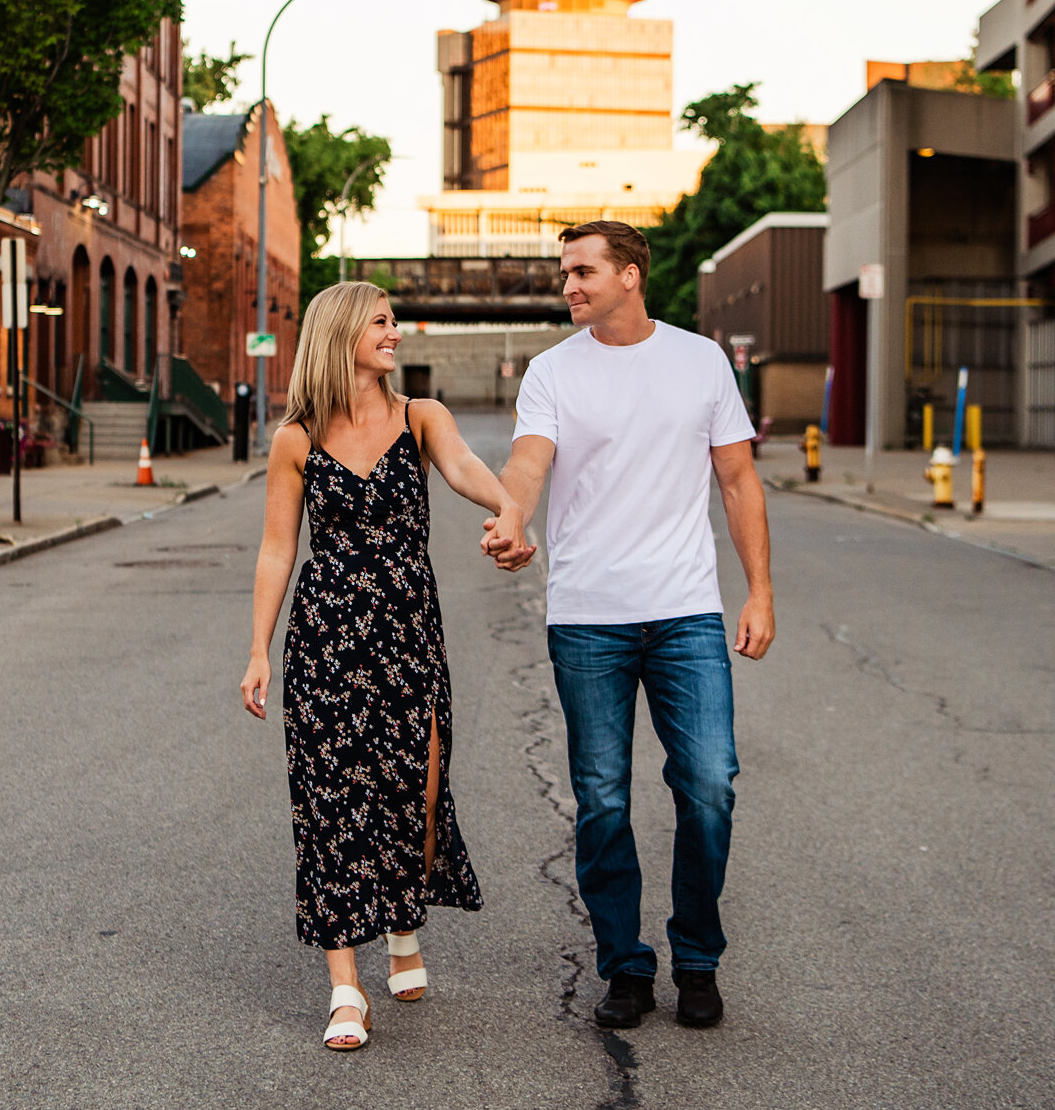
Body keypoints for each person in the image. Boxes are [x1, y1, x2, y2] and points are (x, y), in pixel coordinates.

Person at [488, 219, 774, 1031]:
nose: (568, 285)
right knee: (602, 800)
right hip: (587, 618)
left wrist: (760, 592)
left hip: (686, 610)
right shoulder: (551, 372)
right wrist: (511, 516)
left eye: (582, 271)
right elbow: (529, 461)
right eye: (565, 273)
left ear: (630, 275)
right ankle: (624, 964)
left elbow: (739, 480)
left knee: (709, 784)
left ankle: (697, 956)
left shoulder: (700, 360)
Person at [242, 281, 530, 1052]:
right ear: (342, 333)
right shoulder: (296, 436)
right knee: (331, 800)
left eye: (394, 321)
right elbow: (277, 548)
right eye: (382, 321)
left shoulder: (420, 418)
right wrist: (257, 651)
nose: (395, 332)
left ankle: (404, 925)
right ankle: (345, 985)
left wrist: (508, 509)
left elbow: (467, 466)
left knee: (417, 786)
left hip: (408, 632)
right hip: (326, 637)